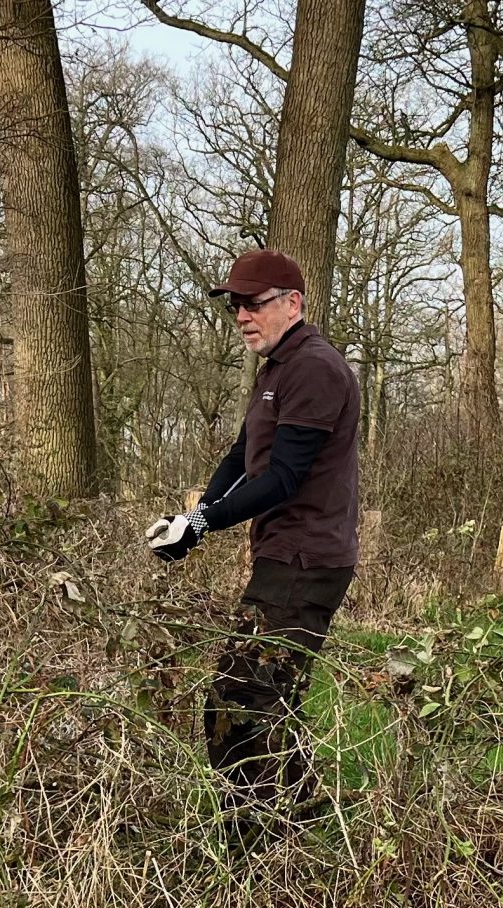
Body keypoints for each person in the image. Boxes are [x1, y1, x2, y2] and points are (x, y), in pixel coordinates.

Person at [145, 249, 361, 838]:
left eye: (254, 303)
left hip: (306, 560)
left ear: (293, 303)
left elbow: (284, 477)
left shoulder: (315, 368)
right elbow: (242, 457)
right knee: (267, 700)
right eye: (235, 305)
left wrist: (204, 525)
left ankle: (257, 841)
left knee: (238, 703)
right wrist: (192, 520)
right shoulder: (277, 368)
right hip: (285, 555)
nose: (242, 315)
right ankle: (299, 824)